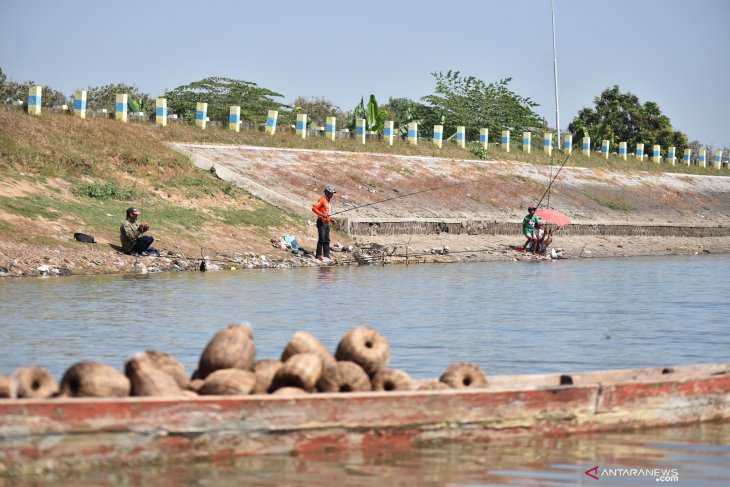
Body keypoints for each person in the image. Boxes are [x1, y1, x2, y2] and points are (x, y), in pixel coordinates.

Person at [312, 185, 336, 262]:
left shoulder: (328, 202)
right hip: (321, 221)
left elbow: (327, 213)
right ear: (326, 192)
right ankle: (318, 255)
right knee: (321, 239)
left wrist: (331, 219)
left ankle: (327, 254)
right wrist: (321, 215)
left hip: (327, 222)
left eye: (332, 193)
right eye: (330, 193)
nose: (332, 194)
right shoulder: (322, 200)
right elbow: (314, 208)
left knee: (327, 239)